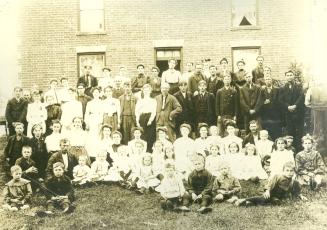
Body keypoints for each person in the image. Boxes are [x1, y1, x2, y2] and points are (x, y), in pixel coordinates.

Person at [235, 162, 307, 206]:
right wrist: (267, 191)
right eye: (287, 170)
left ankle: (250, 203)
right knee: (264, 199)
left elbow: (297, 192)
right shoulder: (278, 176)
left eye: (291, 171)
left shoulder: (295, 182)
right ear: (283, 171)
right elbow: (270, 184)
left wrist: (301, 196)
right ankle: (244, 200)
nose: (289, 172)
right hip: (271, 193)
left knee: (277, 202)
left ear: (294, 172)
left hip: (280, 197)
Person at [278, 70, 305, 151]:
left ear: (293, 76)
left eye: (291, 75)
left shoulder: (299, 86)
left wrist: (295, 105)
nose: (289, 76)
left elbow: (301, 97)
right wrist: (288, 107)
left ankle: (299, 149)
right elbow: (280, 99)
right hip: (288, 113)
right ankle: (291, 148)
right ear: (286, 77)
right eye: (288, 75)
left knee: (299, 131)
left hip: (298, 113)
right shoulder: (282, 88)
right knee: (290, 131)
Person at [259, 74, 282, 140]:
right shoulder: (262, 90)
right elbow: (259, 100)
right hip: (265, 115)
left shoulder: (277, 89)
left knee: (276, 132)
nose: (268, 81)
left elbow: (279, 101)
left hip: (275, 114)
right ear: (264, 81)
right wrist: (263, 102)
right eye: (266, 79)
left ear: (271, 80)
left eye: (269, 79)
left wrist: (270, 101)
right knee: (266, 132)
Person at [135, 84, 157, 151]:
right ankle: (142, 150)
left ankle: (149, 151)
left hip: (150, 118)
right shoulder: (140, 100)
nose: (146, 92)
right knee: (142, 134)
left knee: (150, 135)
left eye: (148, 90)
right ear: (143, 91)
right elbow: (137, 111)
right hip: (142, 118)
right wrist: (137, 121)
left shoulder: (153, 100)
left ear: (150, 91)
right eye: (145, 90)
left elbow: (154, 111)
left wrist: (150, 120)